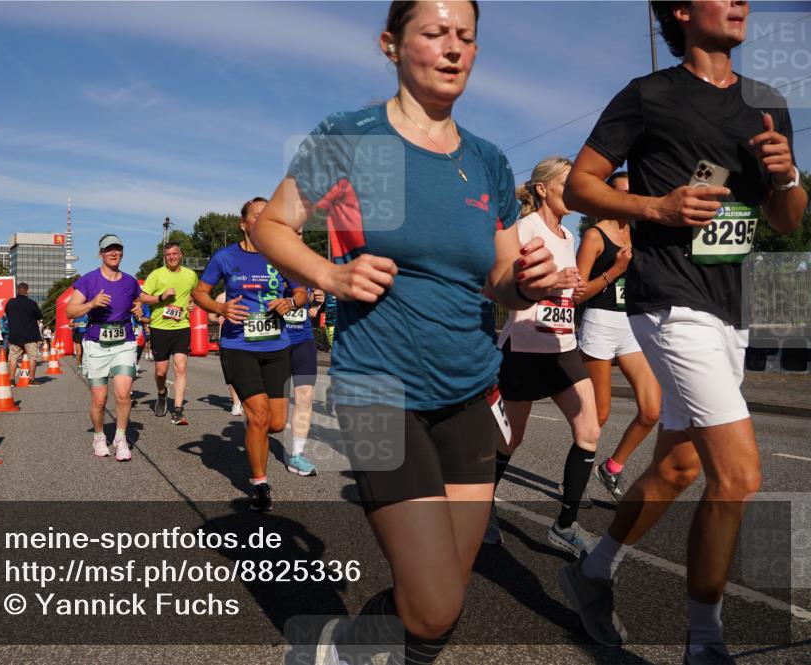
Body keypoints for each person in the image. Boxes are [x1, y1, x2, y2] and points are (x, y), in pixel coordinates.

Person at [250, 2, 560, 662]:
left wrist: (524, 283)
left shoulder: (489, 161)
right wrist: (330, 277)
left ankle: (371, 650)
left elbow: (500, 274)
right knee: (434, 603)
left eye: (466, 37)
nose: (453, 49)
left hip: (471, 392)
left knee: (440, 606)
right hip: (377, 391)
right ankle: (337, 641)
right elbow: (271, 226)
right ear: (391, 45)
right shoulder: (349, 136)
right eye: (434, 34)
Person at [559, 2, 807, 661]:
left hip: (730, 305)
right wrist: (654, 206)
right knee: (740, 474)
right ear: (681, 10)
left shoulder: (766, 103)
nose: (740, 2)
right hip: (668, 297)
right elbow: (579, 187)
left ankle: (592, 570)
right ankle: (705, 641)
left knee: (679, 462)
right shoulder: (649, 96)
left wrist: (785, 173)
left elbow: (785, 219)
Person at [483, 156, 599, 556]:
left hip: (564, 346)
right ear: (542, 188)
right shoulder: (522, 230)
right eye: (567, 184)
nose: (574, 191)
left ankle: (565, 525)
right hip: (526, 346)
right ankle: (480, 508)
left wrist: (573, 288)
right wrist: (551, 282)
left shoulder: (569, 237)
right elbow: (495, 284)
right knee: (511, 439)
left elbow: (566, 290)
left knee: (589, 430)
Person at [193, 197, 305, 512]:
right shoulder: (225, 257)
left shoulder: (281, 255)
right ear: (244, 223)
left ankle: (254, 433)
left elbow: (300, 291)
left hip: (277, 346)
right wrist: (220, 307)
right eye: (257, 215)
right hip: (238, 346)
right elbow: (198, 293)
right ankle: (259, 483)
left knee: (277, 423)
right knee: (258, 415)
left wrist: (290, 303)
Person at [573, 172, 661, 499]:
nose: (627, 198)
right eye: (620, 192)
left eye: (631, 193)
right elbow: (576, 295)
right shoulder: (595, 236)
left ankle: (611, 468)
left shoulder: (636, 234)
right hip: (599, 321)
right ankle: (575, 475)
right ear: (607, 196)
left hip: (630, 325)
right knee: (599, 415)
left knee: (652, 410)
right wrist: (615, 272)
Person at [66, 234, 144, 461]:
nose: (113, 253)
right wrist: (91, 304)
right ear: (101, 253)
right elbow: (70, 311)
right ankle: (99, 436)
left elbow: (137, 301)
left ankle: (121, 437)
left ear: (122, 252)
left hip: (124, 341)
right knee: (99, 400)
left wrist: (138, 309)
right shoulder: (88, 280)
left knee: (123, 393)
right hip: (96, 343)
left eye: (117, 249)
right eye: (108, 249)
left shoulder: (130, 281)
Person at [140, 243, 199, 425]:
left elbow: (195, 294)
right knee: (160, 371)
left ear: (181, 254)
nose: (172, 257)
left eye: (175, 254)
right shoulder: (156, 274)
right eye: (168, 255)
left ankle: (178, 409)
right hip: (160, 327)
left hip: (181, 326)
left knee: (180, 368)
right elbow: (142, 296)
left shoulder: (190, 275)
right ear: (164, 257)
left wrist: (192, 303)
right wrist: (161, 297)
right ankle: (162, 394)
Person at [283, 253, 318, 477]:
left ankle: (297, 454)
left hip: (303, 340)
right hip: (277, 341)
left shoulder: (307, 263)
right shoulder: (268, 262)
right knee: (274, 405)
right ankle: (256, 435)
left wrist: (315, 297)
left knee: (304, 395)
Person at [5, 282, 44, 385]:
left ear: (17, 290)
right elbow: (39, 316)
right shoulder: (32, 303)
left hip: (15, 335)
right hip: (30, 335)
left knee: (13, 357)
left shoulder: (10, 303)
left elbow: (7, 314)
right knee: (32, 357)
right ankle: (31, 379)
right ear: (27, 291)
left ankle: (12, 380)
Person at [213, 291, 244, 416]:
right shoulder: (222, 296)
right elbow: (211, 315)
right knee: (234, 373)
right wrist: (217, 318)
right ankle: (236, 404)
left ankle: (248, 401)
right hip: (231, 339)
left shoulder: (252, 291)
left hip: (252, 339)